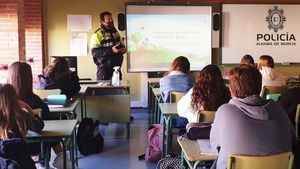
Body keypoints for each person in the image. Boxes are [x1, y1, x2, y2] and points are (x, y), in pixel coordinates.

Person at [210, 65, 293, 169]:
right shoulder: (279, 110)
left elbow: (214, 146)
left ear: (232, 90)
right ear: (260, 86)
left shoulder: (224, 111)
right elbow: (293, 141)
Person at [0, 84, 44, 169]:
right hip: (22, 162)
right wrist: (27, 107)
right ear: (15, 98)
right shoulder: (22, 115)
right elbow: (40, 126)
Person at [90, 11, 127, 80]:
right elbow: (94, 52)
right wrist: (111, 50)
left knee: (118, 90)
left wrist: (123, 49)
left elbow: (122, 45)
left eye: (111, 19)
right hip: (104, 70)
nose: (111, 21)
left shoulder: (116, 33)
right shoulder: (97, 34)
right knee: (104, 90)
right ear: (103, 22)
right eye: (108, 20)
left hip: (116, 68)